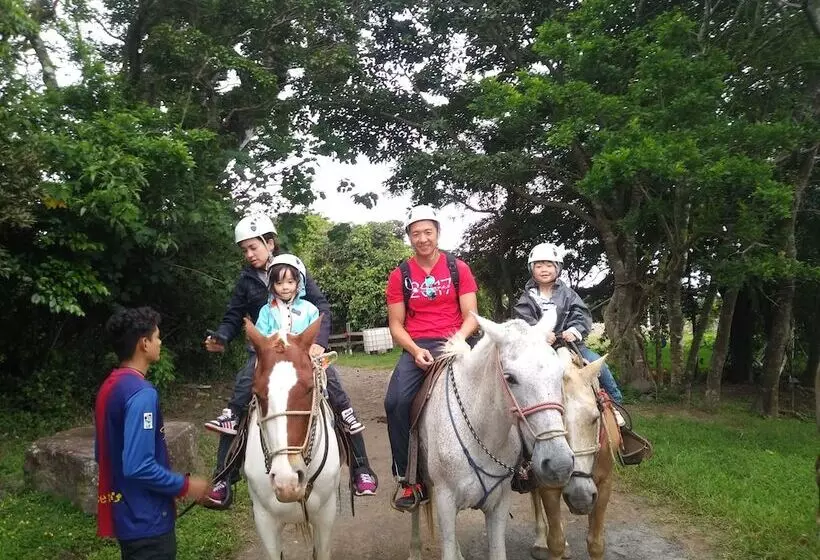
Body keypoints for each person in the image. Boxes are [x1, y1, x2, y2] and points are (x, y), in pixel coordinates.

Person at [203, 215, 377, 507]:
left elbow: (321, 307)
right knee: (244, 390)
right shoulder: (247, 282)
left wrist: (318, 343)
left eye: (252, 248)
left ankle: (360, 466)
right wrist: (221, 336)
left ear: (269, 243)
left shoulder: (295, 269)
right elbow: (234, 315)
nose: (248, 255)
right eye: (243, 250)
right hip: (267, 353)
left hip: (305, 352)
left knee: (332, 387)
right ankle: (222, 476)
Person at [383, 205, 479, 511]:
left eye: (428, 231)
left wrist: (458, 340)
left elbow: (472, 316)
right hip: (418, 344)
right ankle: (408, 479)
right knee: (395, 402)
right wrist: (414, 350)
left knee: (498, 388)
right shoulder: (400, 275)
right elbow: (396, 324)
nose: (422, 238)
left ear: (437, 232)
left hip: (455, 340)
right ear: (409, 238)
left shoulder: (457, 268)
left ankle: (515, 465)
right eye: (416, 233)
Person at [95, 307, 210, 559]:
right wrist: (186, 485)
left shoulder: (110, 386)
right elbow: (138, 465)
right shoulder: (142, 394)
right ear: (144, 344)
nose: (160, 343)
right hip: (147, 523)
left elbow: (101, 452)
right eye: (157, 337)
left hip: (125, 514)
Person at [512, 242, 623, 403]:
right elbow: (523, 320)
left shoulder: (569, 294)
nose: (544, 269)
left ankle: (614, 403)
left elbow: (581, 315)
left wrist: (573, 331)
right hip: (539, 348)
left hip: (571, 347)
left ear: (557, 268)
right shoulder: (526, 298)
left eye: (549, 265)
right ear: (531, 269)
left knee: (598, 365)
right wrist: (540, 334)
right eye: (539, 266)